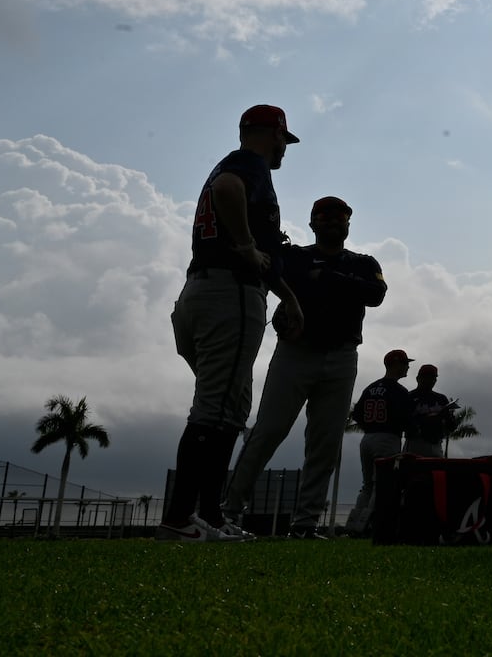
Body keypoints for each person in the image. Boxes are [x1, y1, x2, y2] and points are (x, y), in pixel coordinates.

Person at [157, 105, 305, 543]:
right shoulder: (246, 164)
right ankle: (180, 519)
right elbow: (227, 189)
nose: (284, 148)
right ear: (270, 133)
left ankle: (209, 517)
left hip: (206, 290)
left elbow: (258, 251)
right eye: (283, 138)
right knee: (215, 408)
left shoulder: (238, 166)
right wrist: (243, 245)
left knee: (231, 407)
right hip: (230, 294)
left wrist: (290, 297)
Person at [222, 196, 387, 539]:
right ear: (312, 223)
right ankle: (229, 511)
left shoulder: (364, 261)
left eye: (339, 216)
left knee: (325, 442)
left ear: (348, 224)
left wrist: (325, 276)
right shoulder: (294, 256)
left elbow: (376, 293)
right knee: (267, 431)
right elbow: (268, 274)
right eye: (323, 216)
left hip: (342, 356)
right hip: (295, 353)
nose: (331, 222)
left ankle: (306, 523)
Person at [345, 348, 414, 537]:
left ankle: (352, 525)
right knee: (381, 485)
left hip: (367, 438)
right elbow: (407, 419)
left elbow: (357, 413)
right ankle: (367, 526)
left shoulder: (371, 387)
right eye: (405, 363)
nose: (408, 366)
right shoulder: (399, 390)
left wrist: (370, 426)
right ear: (396, 364)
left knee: (367, 485)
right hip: (387, 439)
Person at [404, 364, 454, 458]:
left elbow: (450, 426)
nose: (431, 381)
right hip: (415, 443)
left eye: (433, 378)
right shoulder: (409, 396)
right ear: (418, 378)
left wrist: (449, 420)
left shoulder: (441, 398)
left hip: (436, 444)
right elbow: (403, 422)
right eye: (427, 377)